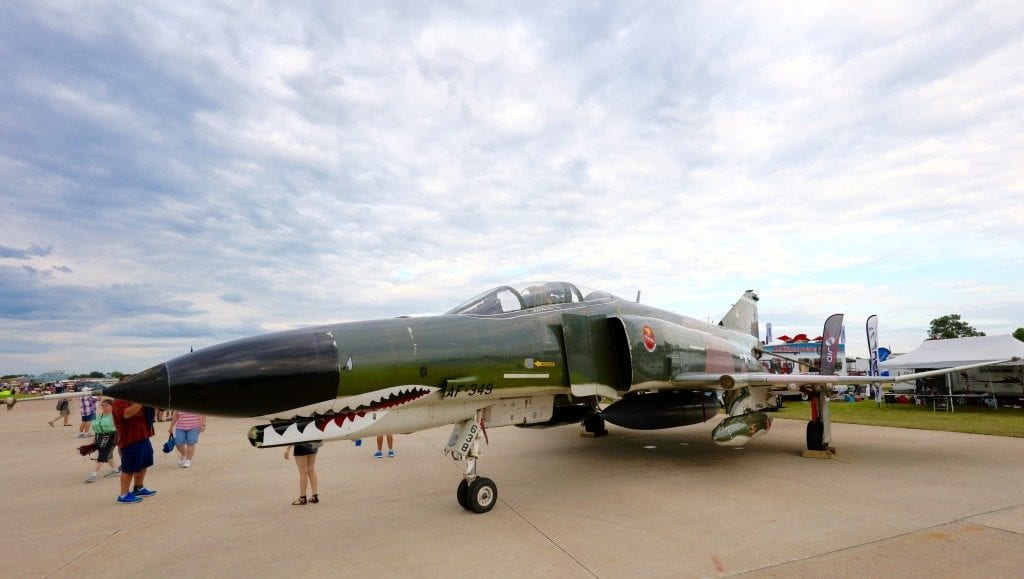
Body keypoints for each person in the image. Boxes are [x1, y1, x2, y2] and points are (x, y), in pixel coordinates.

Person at [111, 399, 157, 504]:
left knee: (144, 463)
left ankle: (138, 488)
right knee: (129, 468)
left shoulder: (136, 398)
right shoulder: (119, 400)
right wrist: (142, 400)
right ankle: (123, 494)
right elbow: (126, 414)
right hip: (130, 439)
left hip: (144, 435)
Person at [85, 399, 119, 482]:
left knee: (103, 454)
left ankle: (94, 474)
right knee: (107, 455)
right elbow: (97, 429)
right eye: (102, 405)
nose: (104, 407)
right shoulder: (100, 415)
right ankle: (115, 470)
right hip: (100, 436)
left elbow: (120, 427)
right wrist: (94, 440)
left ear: (112, 406)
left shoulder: (115, 415)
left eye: (106, 405)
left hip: (111, 436)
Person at [283, 441, 321, 505]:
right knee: (311, 469)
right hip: (313, 443)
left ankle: (302, 498)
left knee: (303, 472)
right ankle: (315, 495)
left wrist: (287, 448)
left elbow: (295, 435)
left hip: (301, 445)